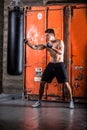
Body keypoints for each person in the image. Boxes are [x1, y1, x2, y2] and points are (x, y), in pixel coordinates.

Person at [24, 28, 74, 109]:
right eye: (45, 36)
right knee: (42, 82)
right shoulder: (46, 44)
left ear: (52, 35)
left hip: (59, 64)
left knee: (65, 83)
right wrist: (27, 43)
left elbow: (61, 52)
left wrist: (52, 47)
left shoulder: (59, 42)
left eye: (47, 35)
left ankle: (71, 101)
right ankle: (39, 101)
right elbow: (35, 47)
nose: (46, 37)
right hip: (51, 65)